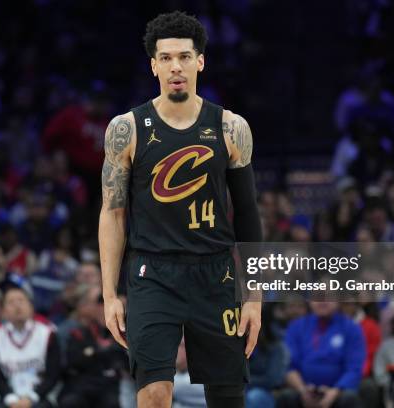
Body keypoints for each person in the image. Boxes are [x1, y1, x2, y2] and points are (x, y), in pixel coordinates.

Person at [98, 11, 262, 408]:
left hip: (216, 272)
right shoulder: (127, 129)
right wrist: (109, 294)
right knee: (154, 393)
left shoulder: (231, 127)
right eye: (167, 58)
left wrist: (254, 296)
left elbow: (249, 216)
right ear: (153, 65)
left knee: (227, 398)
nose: (176, 66)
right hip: (153, 273)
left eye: (185, 57)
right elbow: (112, 213)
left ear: (200, 62)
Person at [0, 287, 60, 408]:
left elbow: (53, 374)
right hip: (6, 396)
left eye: (21, 300)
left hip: (40, 395)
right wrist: (11, 399)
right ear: (3, 311)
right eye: (11, 302)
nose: (17, 306)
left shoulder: (48, 334)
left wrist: (31, 397)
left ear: (31, 307)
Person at [279, 302, 366, 408]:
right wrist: (302, 390)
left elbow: (354, 369)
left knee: (350, 398)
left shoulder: (351, 328)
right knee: (286, 397)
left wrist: (335, 392)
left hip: (338, 392)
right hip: (303, 390)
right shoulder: (296, 327)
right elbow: (289, 366)